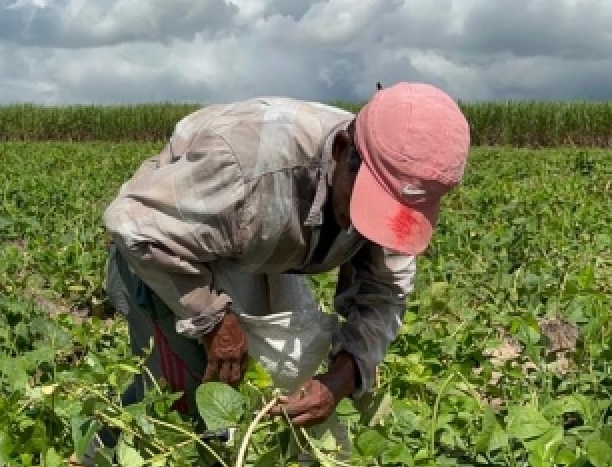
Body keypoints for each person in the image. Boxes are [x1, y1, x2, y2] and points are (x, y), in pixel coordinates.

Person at [101, 81, 471, 429]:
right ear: (342, 151)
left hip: (257, 248)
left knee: (256, 388)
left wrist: (343, 377)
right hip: (171, 248)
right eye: (366, 207)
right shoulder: (245, 168)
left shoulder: (402, 178)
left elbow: (384, 292)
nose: (364, 229)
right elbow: (137, 228)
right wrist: (212, 319)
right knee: (179, 397)